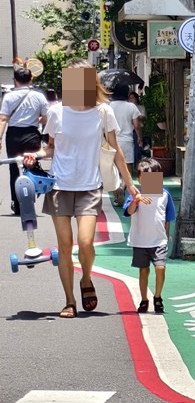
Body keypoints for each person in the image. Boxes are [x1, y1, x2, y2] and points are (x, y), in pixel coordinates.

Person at [23, 59, 138, 318]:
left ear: (90, 82)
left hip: (89, 186)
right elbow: (51, 146)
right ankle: (69, 301)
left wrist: (129, 183)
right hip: (59, 186)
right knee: (65, 245)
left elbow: (115, 149)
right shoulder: (56, 112)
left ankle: (86, 278)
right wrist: (35, 154)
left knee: (85, 243)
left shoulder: (102, 111)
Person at [123, 158, 175, 314]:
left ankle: (158, 297)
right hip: (140, 241)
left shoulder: (165, 195)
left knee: (160, 267)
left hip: (159, 240)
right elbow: (128, 212)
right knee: (143, 270)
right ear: (139, 179)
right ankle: (144, 299)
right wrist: (136, 200)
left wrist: (166, 234)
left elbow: (168, 216)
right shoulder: (135, 195)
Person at [0, 66, 48, 215]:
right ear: (31, 79)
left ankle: (16, 202)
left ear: (15, 80)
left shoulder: (8, 97)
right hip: (32, 134)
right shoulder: (39, 96)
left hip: (13, 135)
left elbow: (3, 119)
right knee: (31, 165)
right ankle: (29, 198)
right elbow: (46, 117)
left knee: (14, 168)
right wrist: (35, 118)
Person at [109, 83, 143, 179]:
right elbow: (136, 125)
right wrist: (140, 138)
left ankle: (116, 189)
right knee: (127, 168)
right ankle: (125, 186)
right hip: (127, 141)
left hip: (112, 141)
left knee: (113, 167)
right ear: (127, 94)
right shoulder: (131, 106)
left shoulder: (109, 106)